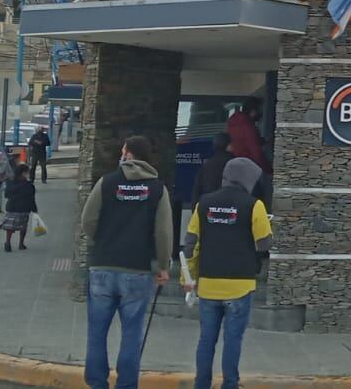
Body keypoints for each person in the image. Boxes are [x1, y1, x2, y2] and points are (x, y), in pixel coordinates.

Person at [82, 135, 174, 389]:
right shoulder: (157, 189)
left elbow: (88, 220)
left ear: (130, 155)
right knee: (132, 333)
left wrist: (102, 241)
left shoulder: (107, 183)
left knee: (97, 332)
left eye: (123, 151)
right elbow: (164, 232)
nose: (121, 155)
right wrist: (163, 266)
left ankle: (97, 383)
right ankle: (127, 384)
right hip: (137, 269)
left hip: (103, 265)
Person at [183, 156, 272, 389]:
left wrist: (188, 277)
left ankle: (201, 384)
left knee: (206, 339)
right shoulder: (254, 205)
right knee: (232, 340)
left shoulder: (205, 203)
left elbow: (191, 242)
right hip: (240, 286)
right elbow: (264, 244)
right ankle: (230, 384)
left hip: (209, 284)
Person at [1, 163, 38, 251]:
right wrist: (34, 209)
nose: (28, 174)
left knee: (9, 227)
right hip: (24, 209)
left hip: (11, 208)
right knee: (23, 227)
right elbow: (31, 198)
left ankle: (8, 242)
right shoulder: (29, 185)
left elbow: (6, 195)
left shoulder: (10, 183)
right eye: (27, 172)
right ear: (23, 173)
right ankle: (21, 244)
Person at [224, 99, 269, 174]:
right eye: (260, 111)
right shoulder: (248, 126)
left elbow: (242, 141)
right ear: (253, 111)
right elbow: (255, 150)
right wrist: (269, 169)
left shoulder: (233, 123)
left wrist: (263, 141)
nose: (261, 114)